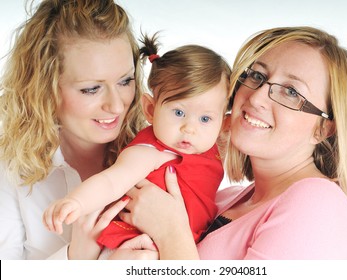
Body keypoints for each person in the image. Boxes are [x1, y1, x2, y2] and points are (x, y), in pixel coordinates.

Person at [123, 26, 347, 260]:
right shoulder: (222, 199)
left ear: (323, 128)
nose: (257, 96)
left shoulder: (319, 204)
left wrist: (171, 233)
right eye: (257, 76)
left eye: (291, 92)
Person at [42, 33, 232, 256]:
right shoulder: (149, 152)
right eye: (179, 112)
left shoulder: (210, 146)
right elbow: (112, 181)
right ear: (151, 110)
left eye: (205, 119)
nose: (190, 128)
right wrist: (76, 202)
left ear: (223, 123)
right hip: (136, 243)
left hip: (181, 244)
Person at [0, 0, 147, 260]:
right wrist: (74, 258)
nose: (116, 105)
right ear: (44, 88)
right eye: (91, 88)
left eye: (125, 81)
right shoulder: (9, 168)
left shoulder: (155, 154)